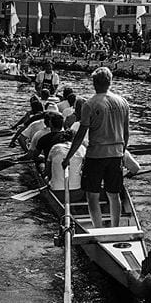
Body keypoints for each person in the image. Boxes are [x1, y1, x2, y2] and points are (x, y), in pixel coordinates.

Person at [62, 67, 129, 229]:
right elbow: (126, 133)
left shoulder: (89, 104)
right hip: (116, 155)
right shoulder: (123, 102)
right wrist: (121, 153)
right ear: (110, 82)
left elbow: (79, 136)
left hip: (96, 155)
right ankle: (114, 228)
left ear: (94, 83)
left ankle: (98, 229)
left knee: (92, 195)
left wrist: (68, 157)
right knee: (114, 195)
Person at [46, 132, 86, 203]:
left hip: (57, 193)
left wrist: (48, 180)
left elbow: (48, 170)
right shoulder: (82, 148)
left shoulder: (55, 147)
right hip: (77, 193)